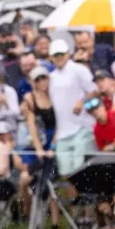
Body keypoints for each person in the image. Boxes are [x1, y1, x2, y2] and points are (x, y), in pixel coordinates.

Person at [48, 39, 97, 177]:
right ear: (51, 57)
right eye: (55, 55)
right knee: (65, 175)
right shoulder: (51, 77)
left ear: (68, 54)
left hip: (82, 128)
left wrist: (82, 101)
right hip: (63, 133)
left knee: (79, 171)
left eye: (61, 54)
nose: (59, 58)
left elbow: (94, 90)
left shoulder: (79, 70)